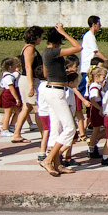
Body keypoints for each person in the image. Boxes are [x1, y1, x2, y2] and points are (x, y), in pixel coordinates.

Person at [39, 23, 82, 176]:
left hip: (53, 90)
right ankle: (48, 160)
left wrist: (62, 72)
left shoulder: (46, 52)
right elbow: (78, 47)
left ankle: (57, 164)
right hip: (56, 93)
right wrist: (64, 33)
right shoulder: (52, 52)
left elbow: (45, 73)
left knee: (56, 129)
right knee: (70, 127)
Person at [11, 26, 44, 144]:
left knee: (26, 107)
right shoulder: (30, 49)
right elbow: (28, 67)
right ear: (35, 37)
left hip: (28, 80)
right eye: (40, 36)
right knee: (37, 108)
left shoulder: (29, 48)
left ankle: (16, 133)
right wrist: (31, 86)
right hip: (29, 80)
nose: (41, 39)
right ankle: (44, 135)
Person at [79, 15, 108, 94]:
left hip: (89, 65)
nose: (100, 26)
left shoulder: (89, 35)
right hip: (88, 65)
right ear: (94, 24)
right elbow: (96, 52)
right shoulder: (90, 36)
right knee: (83, 88)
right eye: (99, 24)